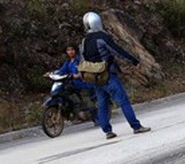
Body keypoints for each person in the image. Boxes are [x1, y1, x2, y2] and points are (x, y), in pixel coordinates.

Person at [81, 11, 150, 140]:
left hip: (94, 77)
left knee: (102, 104)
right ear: (98, 22)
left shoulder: (84, 41)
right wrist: (133, 61)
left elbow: (83, 58)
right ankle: (136, 126)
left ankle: (107, 131)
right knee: (123, 101)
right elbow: (117, 51)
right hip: (108, 75)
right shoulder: (102, 37)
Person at [54, 44, 98, 124]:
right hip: (72, 85)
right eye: (68, 50)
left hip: (82, 84)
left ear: (75, 50)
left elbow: (84, 70)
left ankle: (97, 118)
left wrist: (78, 75)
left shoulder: (80, 60)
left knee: (87, 101)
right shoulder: (68, 62)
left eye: (72, 49)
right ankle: (74, 115)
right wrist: (52, 73)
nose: (70, 52)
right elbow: (61, 70)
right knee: (66, 97)